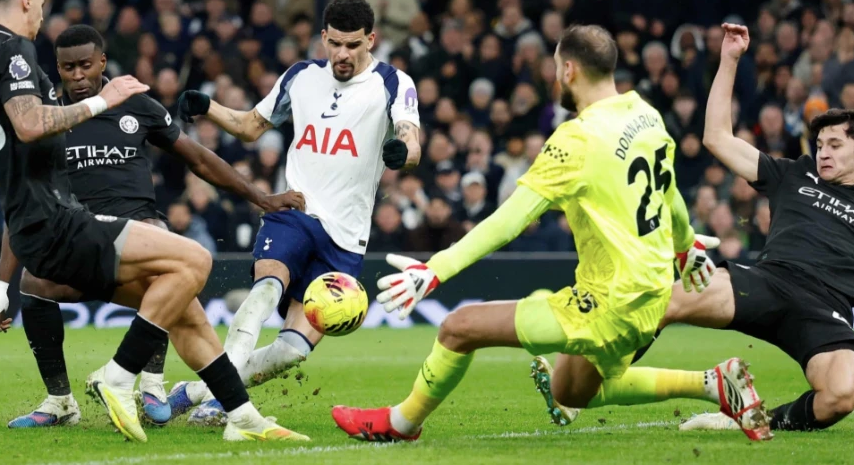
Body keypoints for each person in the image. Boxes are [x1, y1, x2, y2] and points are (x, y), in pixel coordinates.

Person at [0, 0, 306, 443]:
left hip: (41, 227)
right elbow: (28, 123)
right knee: (195, 260)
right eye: (41, 2)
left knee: (186, 312)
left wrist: (7, 178)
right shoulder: (16, 51)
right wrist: (104, 101)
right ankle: (119, 376)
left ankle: (244, 418)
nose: (42, 12)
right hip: (60, 224)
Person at [330, 25, 771, 443]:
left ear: (568, 70)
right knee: (571, 391)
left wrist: (435, 269)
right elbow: (668, 190)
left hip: (610, 302)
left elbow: (509, 220)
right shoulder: (646, 113)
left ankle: (401, 423)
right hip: (650, 293)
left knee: (458, 327)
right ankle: (715, 383)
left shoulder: (576, 139)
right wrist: (685, 244)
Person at [623, 23, 854, 434]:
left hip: (824, 310)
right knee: (668, 300)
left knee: (842, 394)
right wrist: (729, 60)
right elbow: (717, 138)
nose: (823, 152)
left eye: (835, 145)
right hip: (766, 282)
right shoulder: (795, 174)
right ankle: (593, 374)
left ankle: (750, 418)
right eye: (820, 145)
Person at [172, 0, 422, 423]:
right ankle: (233, 405)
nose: (343, 54)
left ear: (371, 41)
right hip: (296, 210)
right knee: (266, 289)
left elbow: (411, 136)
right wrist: (208, 108)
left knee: (291, 352)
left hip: (345, 236)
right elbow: (251, 126)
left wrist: (403, 152)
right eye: (336, 43)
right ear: (323, 38)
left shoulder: (393, 82)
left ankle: (196, 391)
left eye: (353, 45)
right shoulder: (301, 77)